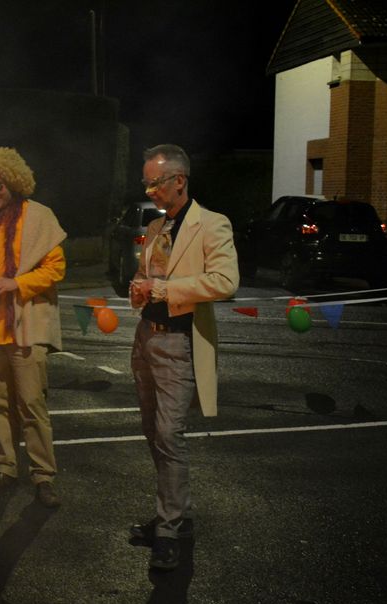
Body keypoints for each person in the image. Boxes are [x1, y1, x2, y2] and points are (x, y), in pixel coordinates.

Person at [128, 144, 239, 570]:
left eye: (156, 182)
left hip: (179, 341)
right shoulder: (156, 228)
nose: (150, 190)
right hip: (146, 338)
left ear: (179, 180)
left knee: (170, 435)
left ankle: (169, 529)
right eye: (146, 183)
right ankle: (173, 513)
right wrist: (141, 285)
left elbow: (225, 281)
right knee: (153, 432)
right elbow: (148, 275)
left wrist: (160, 290)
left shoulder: (212, 224)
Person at [0, 147, 66, 509]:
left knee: (32, 406)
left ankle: (43, 476)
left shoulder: (38, 216)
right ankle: (6, 467)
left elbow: (55, 269)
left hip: (25, 327)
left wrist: (15, 283)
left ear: (13, 181)